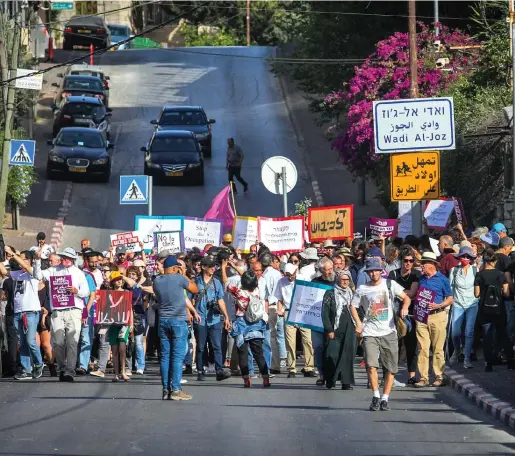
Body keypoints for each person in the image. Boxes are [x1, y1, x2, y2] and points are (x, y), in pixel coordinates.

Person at [351, 258, 410, 411]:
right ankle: (376, 395)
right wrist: (358, 323)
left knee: (391, 368)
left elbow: (406, 297)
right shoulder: (362, 288)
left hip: (389, 331)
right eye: (371, 271)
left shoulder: (389, 284)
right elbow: (353, 306)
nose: (374, 273)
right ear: (368, 272)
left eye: (376, 270)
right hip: (370, 331)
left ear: (381, 271)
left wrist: (405, 307)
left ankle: (385, 398)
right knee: (371, 365)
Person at [33, 247, 90, 382]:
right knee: (58, 342)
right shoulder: (53, 270)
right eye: (64, 257)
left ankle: (70, 371)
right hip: (58, 311)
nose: (65, 259)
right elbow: (38, 275)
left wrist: (77, 291)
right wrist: (36, 261)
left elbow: (86, 291)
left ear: (73, 260)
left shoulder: (78, 273)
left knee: (72, 342)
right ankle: (63, 367)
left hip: (73, 310)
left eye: (68, 257)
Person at [153, 256, 199, 400]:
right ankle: (176, 390)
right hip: (178, 320)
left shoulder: (157, 281)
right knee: (177, 357)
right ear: (175, 268)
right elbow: (195, 289)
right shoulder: (179, 279)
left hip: (163, 320)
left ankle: (166, 389)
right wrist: (182, 273)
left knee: (165, 357)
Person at [1, 247, 45, 380]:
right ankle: (26, 369)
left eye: (24, 258)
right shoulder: (18, 274)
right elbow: (4, 271)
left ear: (30, 261)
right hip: (18, 312)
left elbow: (26, 265)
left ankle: (39, 364)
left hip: (31, 312)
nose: (20, 261)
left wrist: (13, 253)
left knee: (30, 341)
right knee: (22, 342)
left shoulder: (33, 273)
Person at [226, 270, 271, 387]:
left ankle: (246, 379)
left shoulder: (239, 292)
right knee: (258, 353)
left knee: (243, 353)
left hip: (241, 323)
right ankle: (266, 377)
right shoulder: (257, 291)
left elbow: (226, 284)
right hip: (256, 324)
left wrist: (225, 266)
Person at [415, 252, 453, 388]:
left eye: (424, 263)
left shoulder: (443, 279)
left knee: (437, 348)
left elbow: (450, 298)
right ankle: (423, 378)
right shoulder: (421, 279)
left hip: (438, 315)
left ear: (431, 264)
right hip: (422, 315)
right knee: (422, 348)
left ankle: (439, 376)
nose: (421, 265)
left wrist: (438, 305)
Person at [192, 256, 232, 381]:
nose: (213, 268)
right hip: (200, 318)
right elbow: (188, 299)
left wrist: (226, 317)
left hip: (214, 318)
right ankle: (200, 370)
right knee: (201, 346)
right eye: (210, 266)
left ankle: (219, 370)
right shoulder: (195, 282)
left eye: (214, 266)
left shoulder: (217, 282)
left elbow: (221, 300)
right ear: (203, 267)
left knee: (217, 346)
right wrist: (192, 313)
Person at [474, 248, 515, 371]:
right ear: (495, 261)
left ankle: (488, 364)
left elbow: (476, 294)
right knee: (503, 334)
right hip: (499, 308)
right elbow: (507, 293)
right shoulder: (500, 274)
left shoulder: (479, 275)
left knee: (487, 335)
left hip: (485, 309)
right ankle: (510, 361)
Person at [275, 263, 315, 378]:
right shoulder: (281, 282)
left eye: (291, 274)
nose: (290, 277)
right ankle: (291, 367)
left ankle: (309, 366)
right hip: (289, 310)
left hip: (303, 310)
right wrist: (279, 310)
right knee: (290, 341)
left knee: (307, 339)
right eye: (287, 275)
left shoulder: (304, 279)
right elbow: (280, 299)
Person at [388, 248, 420, 385]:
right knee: (394, 345)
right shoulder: (393, 273)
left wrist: (399, 291)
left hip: (410, 314)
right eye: (405, 260)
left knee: (411, 344)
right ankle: (391, 375)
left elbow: (412, 293)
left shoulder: (415, 274)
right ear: (401, 261)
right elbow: (389, 290)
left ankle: (411, 375)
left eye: (411, 261)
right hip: (393, 313)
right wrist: (402, 292)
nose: (408, 263)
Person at [322, 270, 356, 390]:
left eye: (347, 280)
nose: (345, 282)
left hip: (349, 327)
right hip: (334, 329)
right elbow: (325, 313)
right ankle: (331, 379)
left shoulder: (352, 294)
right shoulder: (330, 293)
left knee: (347, 354)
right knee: (332, 354)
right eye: (343, 279)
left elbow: (357, 310)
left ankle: (346, 382)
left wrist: (359, 325)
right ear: (338, 279)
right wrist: (329, 329)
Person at [448, 246, 479, 369]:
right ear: (459, 258)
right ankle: (457, 349)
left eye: (468, 256)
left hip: (472, 304)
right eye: (463, 256)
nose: (465, 258)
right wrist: (449, 303)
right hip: (458, 304)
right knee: (455, 332)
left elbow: (478, 287)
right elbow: (450, 288)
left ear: (471, 258)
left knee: (469, 332)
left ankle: (466, 359)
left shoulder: (475, 270)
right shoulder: (454, 271)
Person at [107, 271, 133, 382]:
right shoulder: (108, 294)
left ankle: (123, 371)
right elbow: (105, 309)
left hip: (124, 323)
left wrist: (131, 323)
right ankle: (116, 373)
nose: (119, 281)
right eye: (117, 279)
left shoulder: (126, 292)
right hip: (113, 324)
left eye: (120, 279)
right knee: (115, 350)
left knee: (122, 347)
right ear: (113, 282)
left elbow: (130, 309)